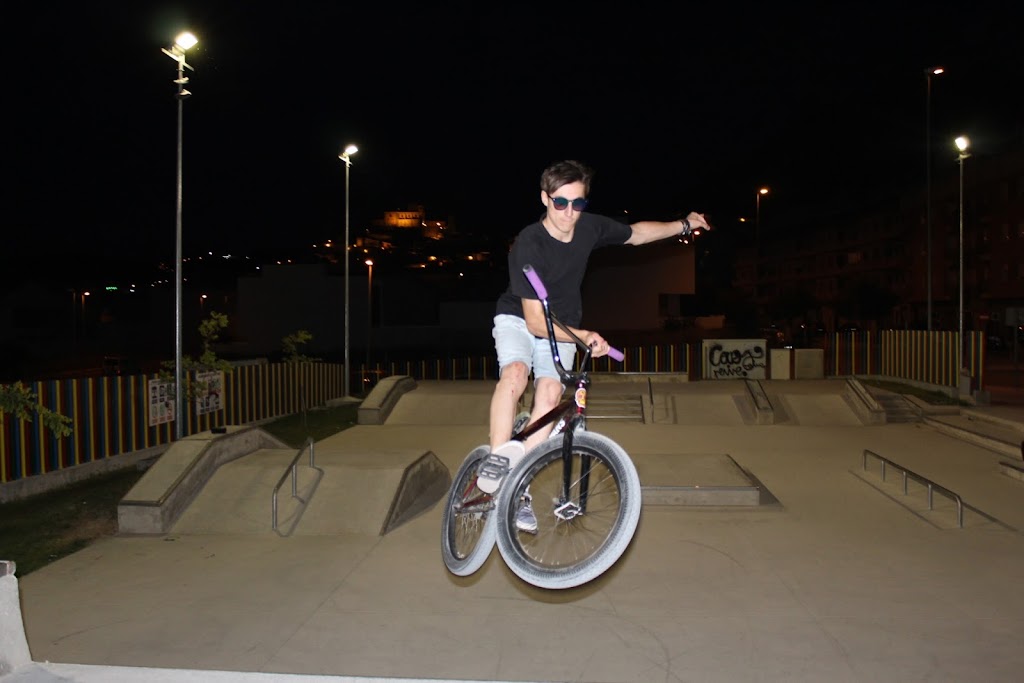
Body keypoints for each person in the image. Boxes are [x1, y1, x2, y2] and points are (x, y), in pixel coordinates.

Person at [479, 159, 710, 532]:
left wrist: (683, 224)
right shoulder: (529, 244)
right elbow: (536, 322)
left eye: (578, 204)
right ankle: (494, 464)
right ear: (544, 198)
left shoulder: (589, 227)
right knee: (517, 374)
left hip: (566, 322)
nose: (569, 213)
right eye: (560, 203)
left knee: (551, 394)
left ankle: (517, 483)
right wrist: (584, 336)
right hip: (521, 319)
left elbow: (636, 233)